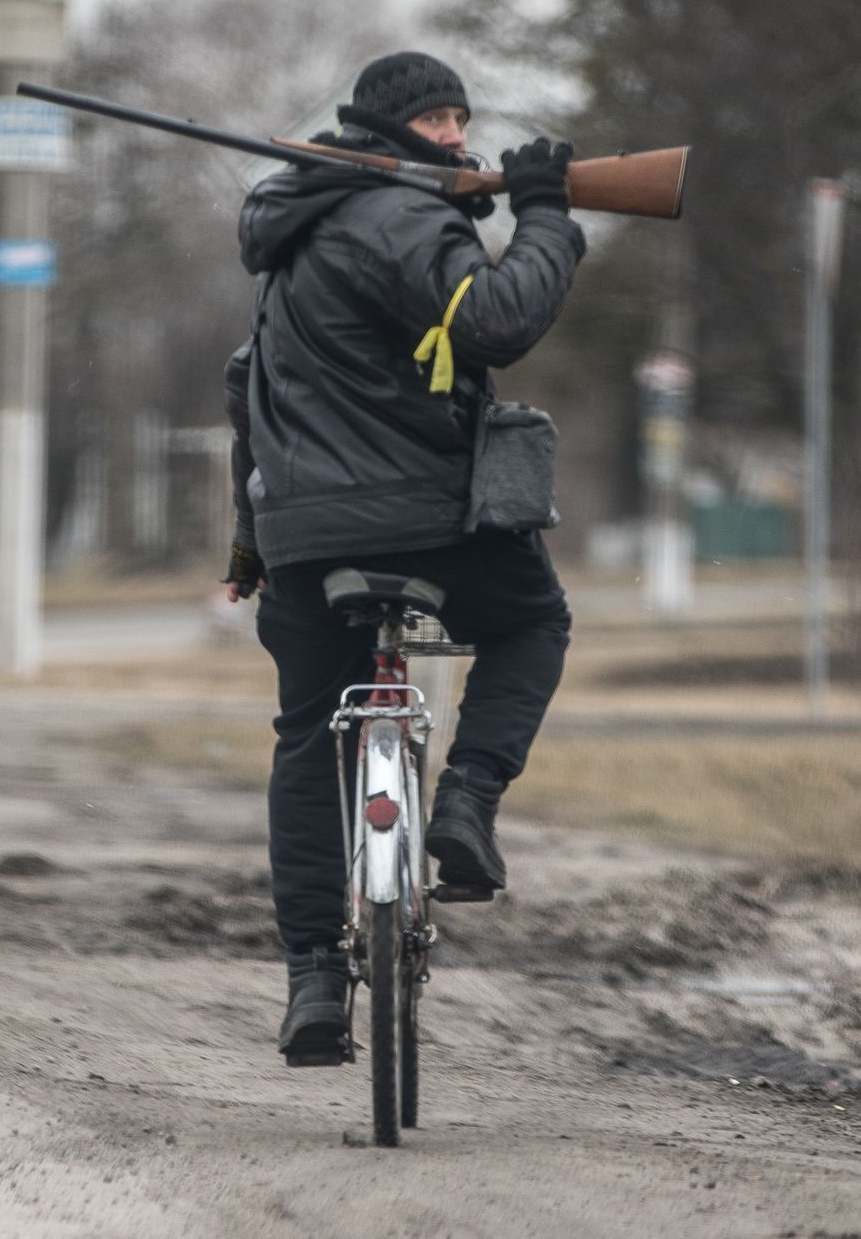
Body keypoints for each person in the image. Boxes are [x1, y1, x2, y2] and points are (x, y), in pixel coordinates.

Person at [220, 52, 586, 1066]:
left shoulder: (292, 231)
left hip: (301, 539)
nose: (458, 139)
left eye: (461, 118)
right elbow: (501, 320)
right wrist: (548, 216)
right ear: (385, 131)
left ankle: (311, 980)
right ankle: (465, 798)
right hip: (430, 523)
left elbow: (245, 382)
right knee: (531, 623)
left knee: (306, 737)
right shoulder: (399, 215)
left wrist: (251, 538)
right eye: (436, 121)